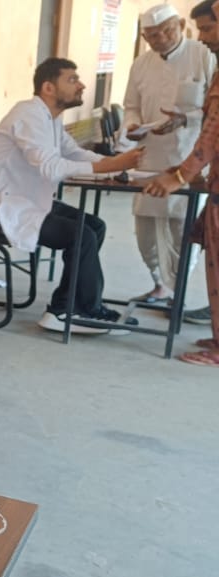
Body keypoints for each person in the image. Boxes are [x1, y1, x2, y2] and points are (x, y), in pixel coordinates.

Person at [0, 58, 144, 334]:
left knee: (94, 226)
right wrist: (109, 166)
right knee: (82, 235)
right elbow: (50, 167)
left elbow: (74, 154)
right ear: (48, 87)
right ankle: (75, 311)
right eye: (72, 80)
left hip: (20, 200)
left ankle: (68, 306)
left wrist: (117, 166)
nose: (81, 85)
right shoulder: (28, 115)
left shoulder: (50, 118)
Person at [123, 3, 215, 305]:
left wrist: (185, 119)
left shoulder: (203, 55)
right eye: (152, 35)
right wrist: (132, 125)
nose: (160, 38)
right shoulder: (140, 65)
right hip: (150, 158)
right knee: (146, 233)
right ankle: (160, 285)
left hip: (188, 160)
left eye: (167, 31)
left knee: (182, 232)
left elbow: (211, 112)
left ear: (181, 26)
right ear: (144, 37)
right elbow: (131, 106)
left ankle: (178, 292)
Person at [144, 0, 219, 367]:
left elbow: (212, 133)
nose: (203, 37)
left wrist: (179, 176)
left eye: (208, 28)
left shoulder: (202, 58)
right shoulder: (143, 64)